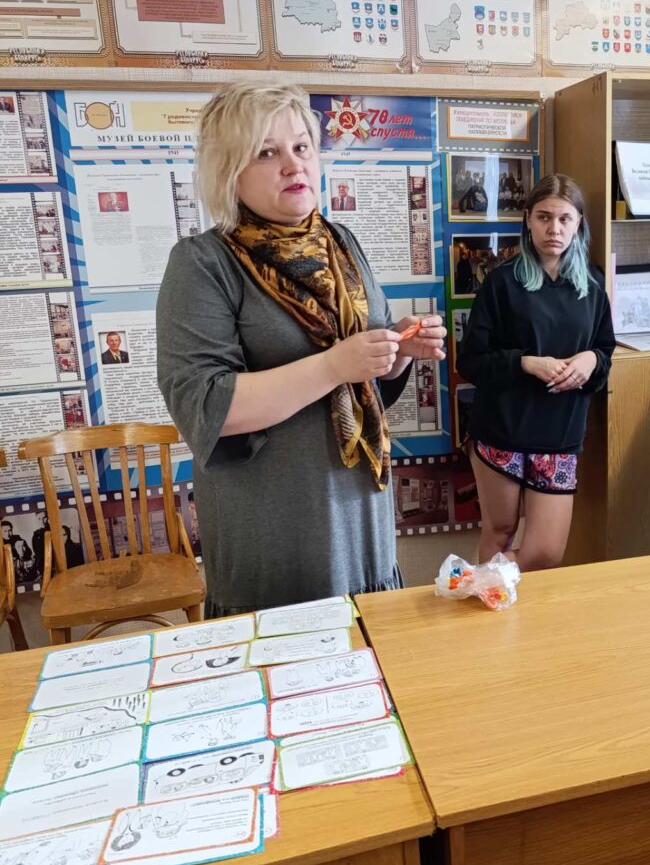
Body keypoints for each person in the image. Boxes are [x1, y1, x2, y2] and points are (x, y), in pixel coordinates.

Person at [156, 81, 446, 616]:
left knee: (369, 647)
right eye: (267, 153)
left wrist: (401, 346)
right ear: (229, 171)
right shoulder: (203, 263)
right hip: (272, 524)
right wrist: (333, 365)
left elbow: (367, 378)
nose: (293, 165)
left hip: (359, 509)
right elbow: (207, 406)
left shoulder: (341, 242)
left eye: (301, 147)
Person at [457, 173, 615, 570]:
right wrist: (525, 363)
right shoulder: (501, 282)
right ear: (528, 219)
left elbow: (605, 351)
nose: (554, 229)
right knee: (500, 532)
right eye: (544, 217)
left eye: (564, 219)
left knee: (545, 553)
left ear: (579, 224)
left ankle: (476, 582)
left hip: (560, 434)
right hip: (502, 429)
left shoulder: (593, 284)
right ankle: (491, 601)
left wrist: (591, 359)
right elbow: (470, 361)